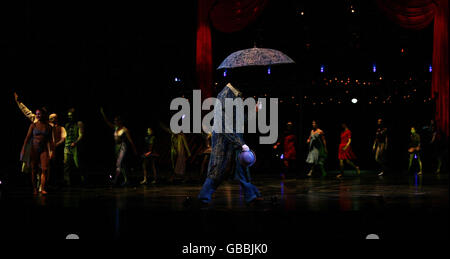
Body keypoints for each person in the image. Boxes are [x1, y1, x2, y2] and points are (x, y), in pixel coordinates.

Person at [196, 82, 262, 205]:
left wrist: (254, 112)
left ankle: (252, 195)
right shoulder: (226, 95)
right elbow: (223, 125)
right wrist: (240, 143)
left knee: (242, 165)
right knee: (218, 169)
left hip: (234, 138)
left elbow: (239, 120)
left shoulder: (235, 95)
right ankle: (203, 196)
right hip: (224, 139)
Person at [21, 108, 54, 195]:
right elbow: (27, 138)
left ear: (43, 115)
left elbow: (51, 141)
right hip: (34, 149)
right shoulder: (33, 125)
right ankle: (35, 188)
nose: (37, 115)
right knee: (34, 170)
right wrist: (23, 149)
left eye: (39, 114)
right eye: (36, 114)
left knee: (44, 169)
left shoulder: (49, 127)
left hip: (44, 149)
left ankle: (42, 188)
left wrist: (52, 151)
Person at [101, 108, 138, 186]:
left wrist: (134, 149)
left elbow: (130, 140)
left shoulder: (125, 129)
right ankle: (124, 179)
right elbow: (107, 122)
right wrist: (103, 114)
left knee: (119, 163)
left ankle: (119, 180)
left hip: (122, 147)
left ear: (120, 121)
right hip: (116, 147)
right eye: (114, 121)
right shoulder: (116, 128)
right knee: (121, 165)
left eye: (116, 121)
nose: (115, 122)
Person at [64, 108, 85, 186]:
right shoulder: (67, 125)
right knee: (66, 165)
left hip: (75, 146)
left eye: (71, 116)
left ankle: (82, 179)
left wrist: (75, 143)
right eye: (68, 116)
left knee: (78, 164)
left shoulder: (79, 123)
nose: (69, 117)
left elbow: (81, 135)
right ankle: (67, 181)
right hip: (67, 146)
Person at [48, 113, 66, 187]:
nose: (52, 119)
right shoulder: (47, 127)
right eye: (51, 118)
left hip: (57, 150)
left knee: (57, 166)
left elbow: (63, 138)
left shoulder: (61, 128)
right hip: (48, 150)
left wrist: (56, 145)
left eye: (54, 118)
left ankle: (57, 182)